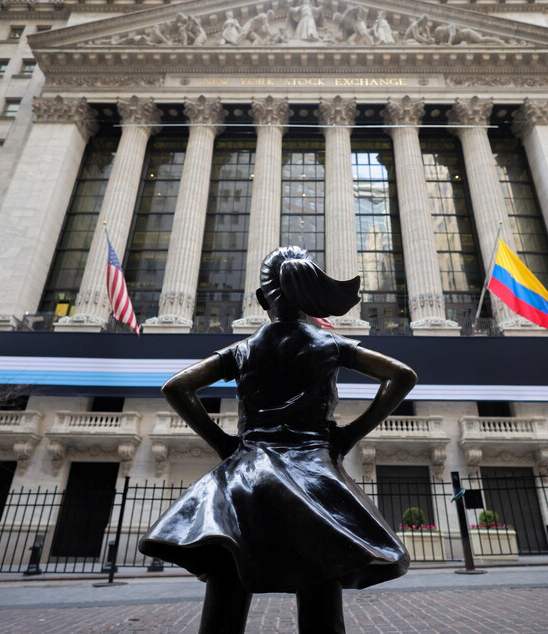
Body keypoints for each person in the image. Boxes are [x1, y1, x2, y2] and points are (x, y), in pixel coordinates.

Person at [139, 247, 416, 634]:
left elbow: (177, 386)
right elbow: (402, 375)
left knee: (228, 571)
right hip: (313, 473)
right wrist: (351, 434)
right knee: (320, 574)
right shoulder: (329, 344)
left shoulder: (243, 349)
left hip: (246, 471)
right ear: (308, 299)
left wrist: (223, 442)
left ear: (260, 299)